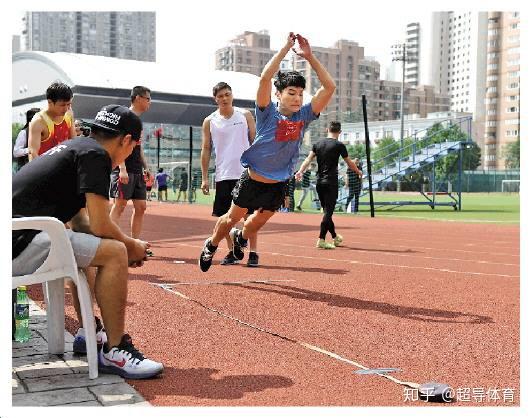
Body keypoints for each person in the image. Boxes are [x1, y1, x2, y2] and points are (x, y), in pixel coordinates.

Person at [12, 104, 163, 379]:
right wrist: (131, 246)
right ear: (126, 140)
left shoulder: (78, 148)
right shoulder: (96, 156)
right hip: (19, 241)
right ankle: (115, 351)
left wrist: (127, 243)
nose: (129, 155)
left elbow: (84, 224)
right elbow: (101, 223)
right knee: (115, 252)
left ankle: (88, 333)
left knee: (91, 246)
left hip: (18, 236)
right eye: (132, 149)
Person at [199, 33, 335, 272]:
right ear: (278, 94)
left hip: (278, 183)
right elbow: (264, 78)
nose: (297, 98)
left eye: (300, 94)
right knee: (230, 218)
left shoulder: (304, 116)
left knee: (256, 224)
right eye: (291, 92)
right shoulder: (266, 113)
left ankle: (240, 239)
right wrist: (285, 49)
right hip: (252, 178)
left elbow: (329, 87)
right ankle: (210, 245)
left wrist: (310, 57)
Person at [200, 82, 258, 266]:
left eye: (227, 94)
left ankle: (254, 253)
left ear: (232, 95)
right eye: (220, 96)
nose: (224, 98)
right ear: (215, 99)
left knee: (250, 216)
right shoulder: (210, 121)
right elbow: (206, 148)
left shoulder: (245, 115)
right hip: (223, 174)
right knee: (224, 217)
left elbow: (255, 142)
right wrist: (204, 178)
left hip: (246, 173)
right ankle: (233, 248)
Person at [296, 121, 363, 249]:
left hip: (319, 182)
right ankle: (321, 239)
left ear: (327, 129)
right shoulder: (339, 145)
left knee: (327, 212)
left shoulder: (318, 144)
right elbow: (349, 163)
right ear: (340, 132)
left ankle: (334, 237)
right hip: (331, 182)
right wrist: (358, 171)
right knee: (328, 213)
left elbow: (308, 159)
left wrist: (300, 171)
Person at [109, 86, 152, 239]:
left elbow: (137, 146)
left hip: (137, 169)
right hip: (123, 168)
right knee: (119, 206)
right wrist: (122, 168)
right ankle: (110, 240)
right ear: (138, 98)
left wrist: (145, 167)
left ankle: (135, 242)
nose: (150, 102)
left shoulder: (137, 122)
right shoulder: (125, 117)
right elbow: (117, 144)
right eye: (148, 98)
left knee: (141, 207)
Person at [28, 82, 76, 161]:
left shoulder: (69, 113)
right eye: (62, 105)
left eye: (69, 104)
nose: (66, 108)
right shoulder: (38, 121)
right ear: (50, 102)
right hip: (44, 169)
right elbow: (32, 153)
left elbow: (74, 142)